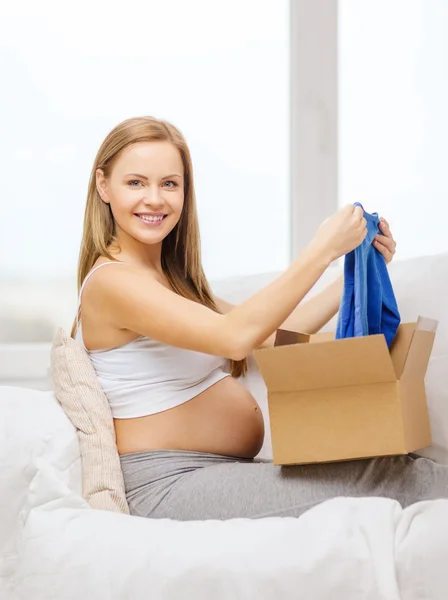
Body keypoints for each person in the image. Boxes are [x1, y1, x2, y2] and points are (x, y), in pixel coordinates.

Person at [72, 115, 448, 520]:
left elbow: (268, 337)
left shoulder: (170, 281)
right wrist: (320, 249)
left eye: (169, 183)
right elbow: (234, 337)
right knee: (389, 479)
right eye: (136, 182)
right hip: (168, 484)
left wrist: (350, 275)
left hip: (209, 472)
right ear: (103, 185)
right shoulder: (112, 283)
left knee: (390, 467)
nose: (155, 199)